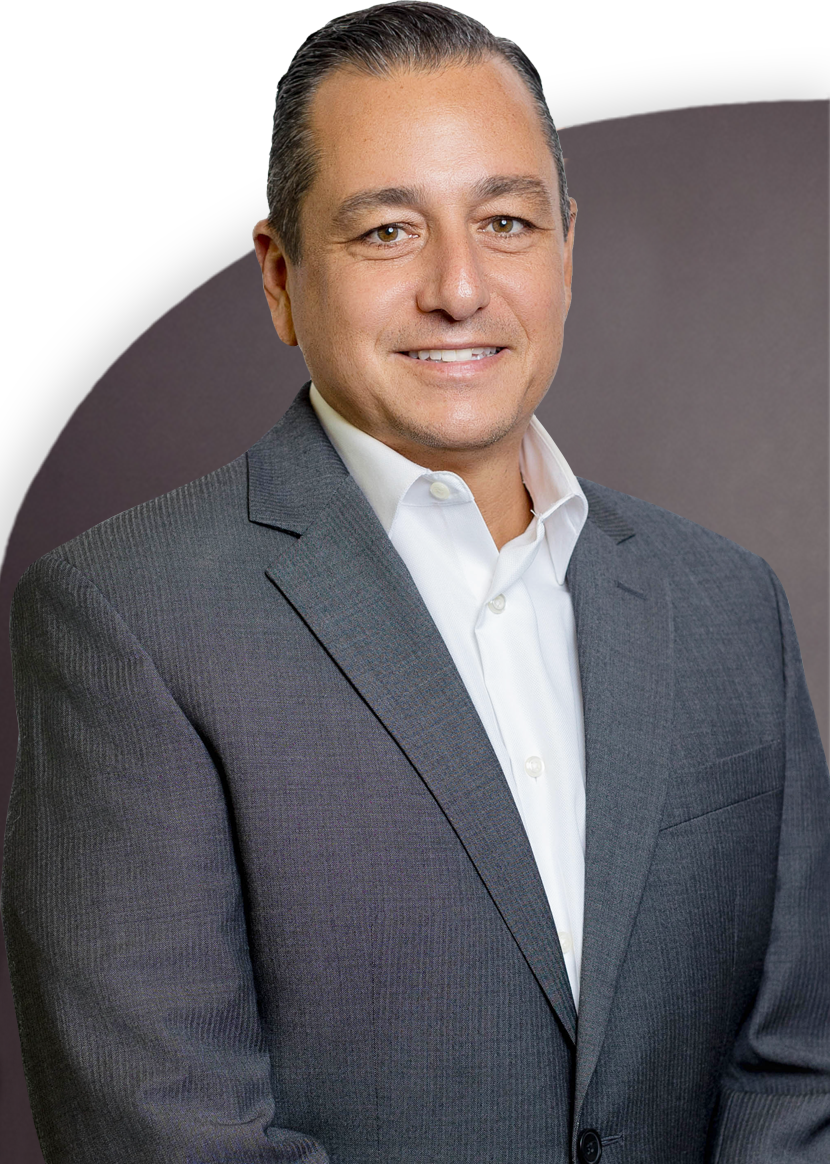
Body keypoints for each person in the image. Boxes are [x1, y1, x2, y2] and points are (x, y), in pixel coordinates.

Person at [2, 3, 828, 1161]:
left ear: (563, 251)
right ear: (281, 276)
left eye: (503, 221)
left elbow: (796, 1069)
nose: (458, 286)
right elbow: (165, 1134)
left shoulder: (728, 603)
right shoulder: (124, 617)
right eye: (386, 232)